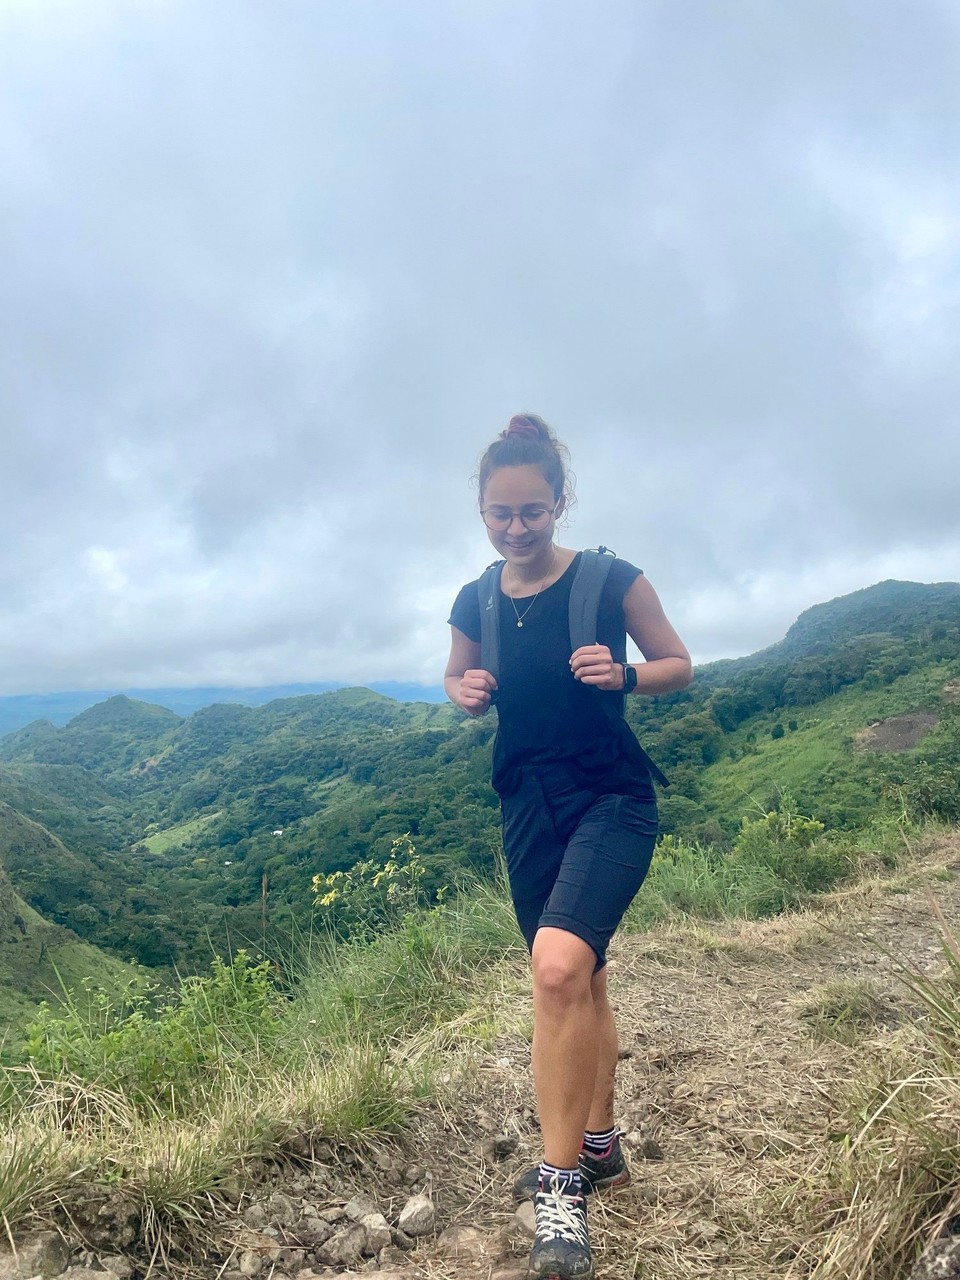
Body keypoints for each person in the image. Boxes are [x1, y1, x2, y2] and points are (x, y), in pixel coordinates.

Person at [444, 414, 693, 1280]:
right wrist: (465, 690)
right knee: (581, 975)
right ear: (481, 511)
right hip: (526, 804)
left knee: (553, 970)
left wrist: (624, 673)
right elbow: (455, 675)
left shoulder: (609, 580)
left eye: (533, 512)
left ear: (560, 503)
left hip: (611, 796)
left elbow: (679, 663)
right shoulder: (476, 596)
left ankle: (559, 1191)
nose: (517, 528)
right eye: (500, 514)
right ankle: (600, 1148)